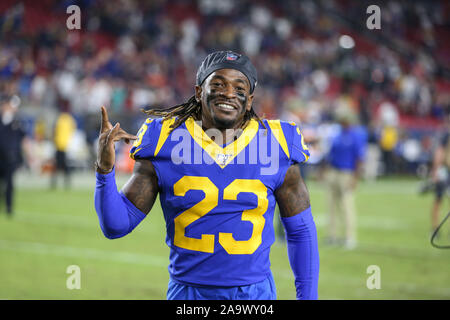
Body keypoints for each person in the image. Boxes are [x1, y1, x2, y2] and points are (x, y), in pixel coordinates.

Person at [94, 51, 319, 300]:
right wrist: (105, 171)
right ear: (199, 91)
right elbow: (116, 225)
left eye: (239, 86)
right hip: (189, 296)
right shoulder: (165, 138)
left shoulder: (276, 142)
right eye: (218, 84)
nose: (228, 93)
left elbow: (300, 232)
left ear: (250, 99)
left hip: (254, 296)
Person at [324, 107, 367, 250]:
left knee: (347, 206)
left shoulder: (355, 136)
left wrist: (355, 178)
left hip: (347, 173)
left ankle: (350, 237)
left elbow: (359, 159)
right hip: (334, 173)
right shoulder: (337, 135)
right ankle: (332, 235)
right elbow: (330, 155)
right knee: (331, 206)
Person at [0, 94, 25, 216]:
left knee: (9, 183)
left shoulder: (16, 122)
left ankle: (9, 207)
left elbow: (23, 139)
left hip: (10, 157)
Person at [429, 120, 449, 234]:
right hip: (445, 171)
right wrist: (436, 171)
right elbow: (439, 153)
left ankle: (435, 228)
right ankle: (435, 228)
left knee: (438, 200)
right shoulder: (446, 136)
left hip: (445, 171)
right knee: (438, 200)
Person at [51, 103, 76, 189]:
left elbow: (54, 131)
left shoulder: (60, 119)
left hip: (59, 145)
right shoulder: (69, 119)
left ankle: (55, 183)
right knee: (63, 166)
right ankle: (66, 182)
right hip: (65, 146)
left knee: (58, 165)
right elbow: (73, 131)